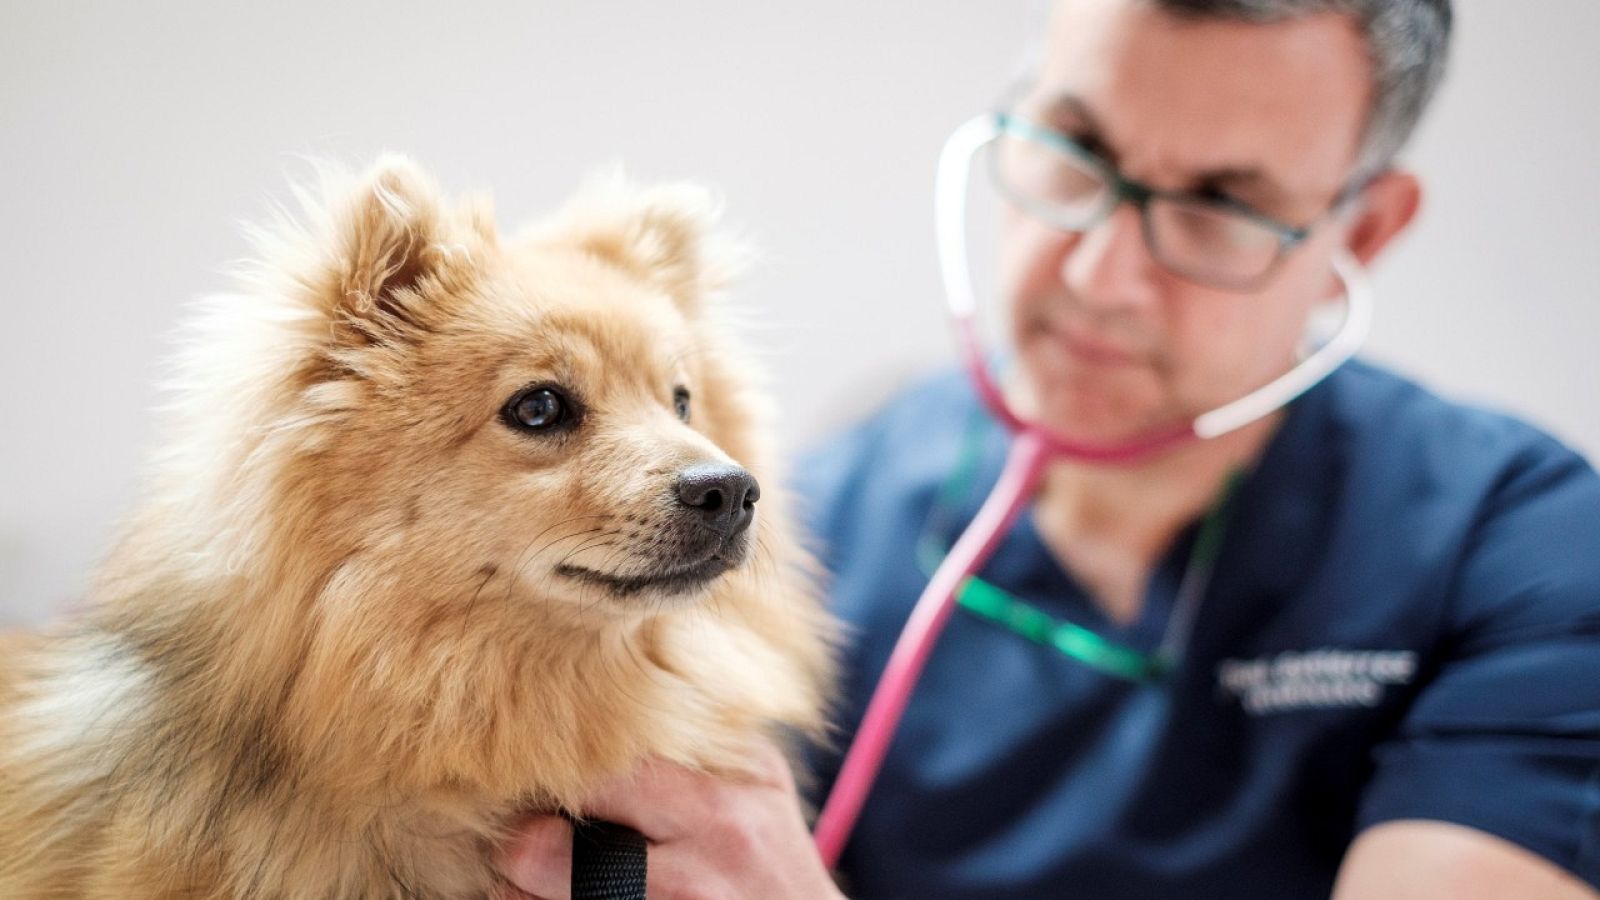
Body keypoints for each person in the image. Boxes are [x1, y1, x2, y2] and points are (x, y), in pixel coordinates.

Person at [498, 0, 1600, 896]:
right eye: (1075, 149)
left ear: (1359, 234)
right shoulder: (810, 523)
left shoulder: (1520, 549)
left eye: (1220, 205)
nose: (1094, 276)